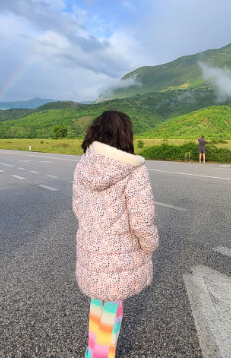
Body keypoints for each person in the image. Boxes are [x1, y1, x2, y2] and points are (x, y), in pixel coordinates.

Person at [73, 110, 159, 358]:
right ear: (125, 135)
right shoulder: (133, 170)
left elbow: (78, 207)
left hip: (92, 251)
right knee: (112, 311)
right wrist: (149, 244)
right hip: (120, 256)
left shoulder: (84, 165)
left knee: (98, 306)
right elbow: (142, 221)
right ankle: (99, 356)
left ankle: (93, 353)